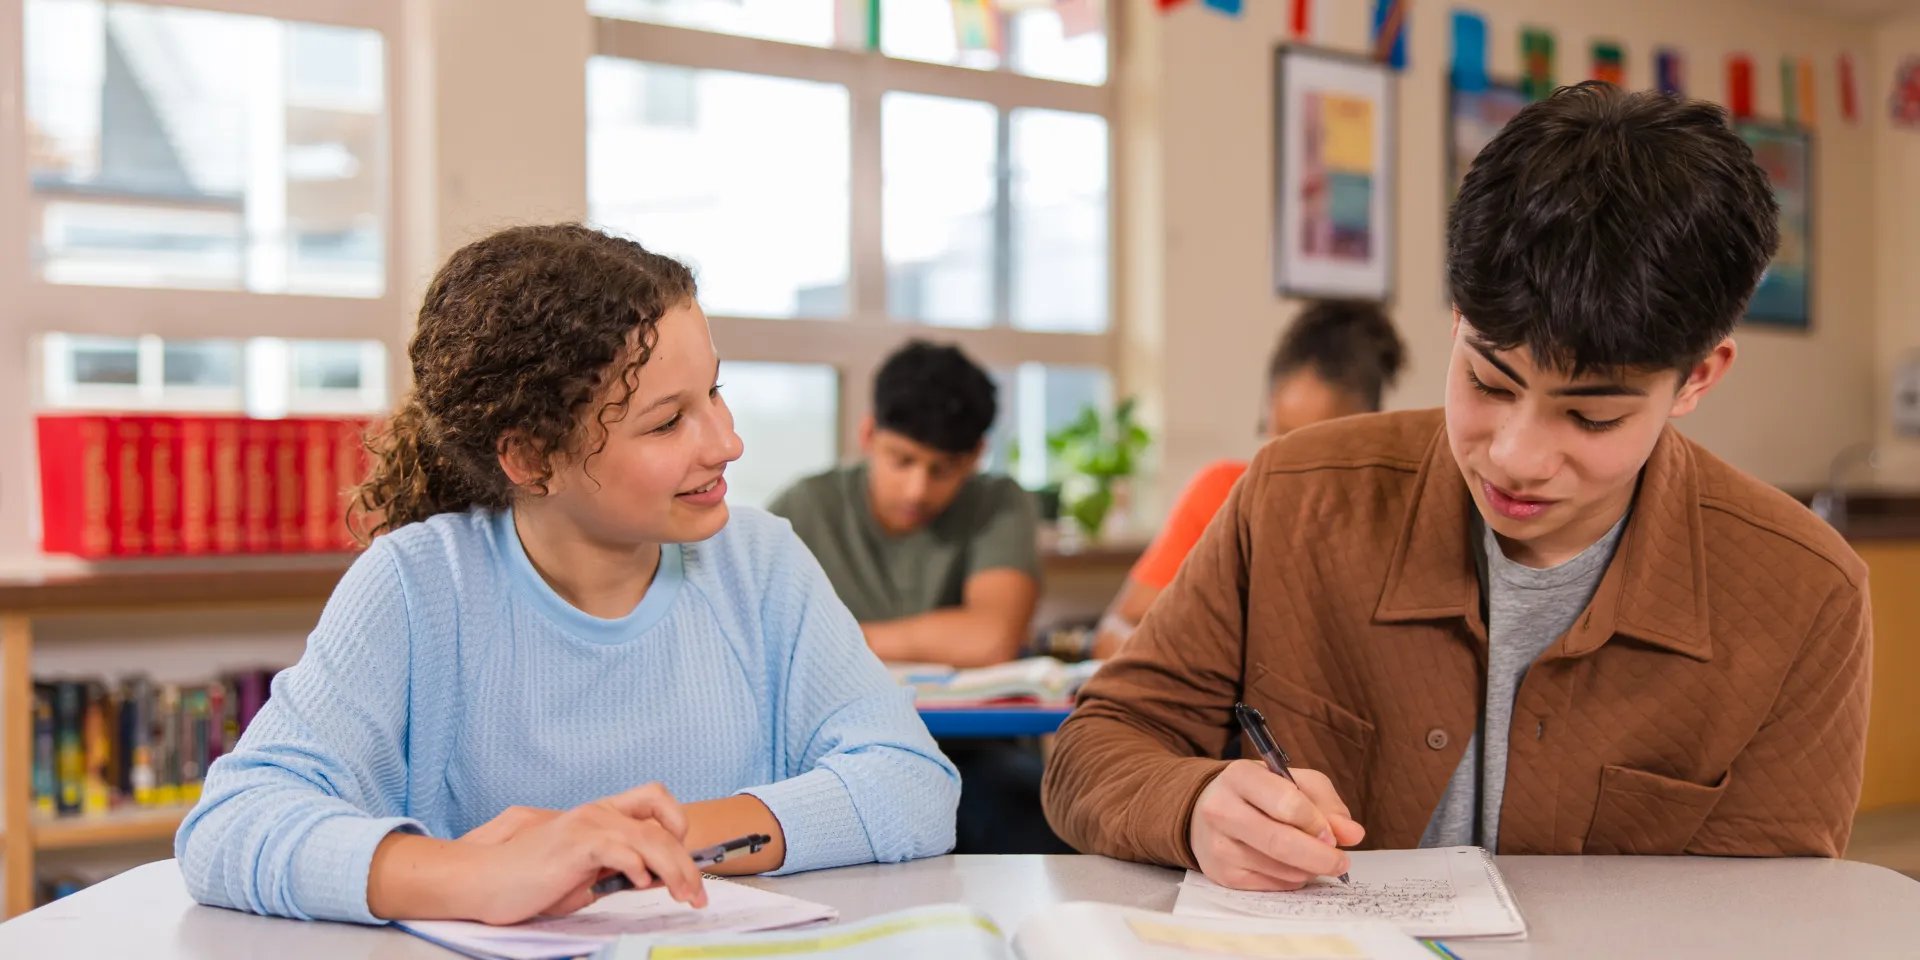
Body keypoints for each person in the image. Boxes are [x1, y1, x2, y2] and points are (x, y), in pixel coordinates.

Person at [1042, 82, 1871, 891]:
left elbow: (1780, 913)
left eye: (1590, 419)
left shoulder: (1806, 596)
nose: (1516, 457)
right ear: (1456, 317)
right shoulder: (1295, 496)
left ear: (1698, 378)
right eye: (1489, 383)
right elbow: (1096, 745)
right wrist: (1193, 807)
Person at [175, 224, 959, 925]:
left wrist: (631, 845)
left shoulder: (760, 563)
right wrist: (473, 874)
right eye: (667, 421)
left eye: (715, 392)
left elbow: (913, 785)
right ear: (528, 458)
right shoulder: (418, 586)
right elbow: (231, 825)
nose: (726, 442)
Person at [769, 340, 1060, 854]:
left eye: (942, 469)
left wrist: (839, 640)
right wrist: (935, 636)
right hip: (833, 751)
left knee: (1034, 818)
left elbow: (990, 637)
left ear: (976, 456)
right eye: (901, 460)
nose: (916, 490)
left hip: (971, 751)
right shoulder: (805, 506)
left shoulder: (998, 503)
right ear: (867, 434)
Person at [1092, 301, 1405, 659]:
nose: (1293, 466)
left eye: (1318, 446)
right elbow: (1111, 634)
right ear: (1267, 413)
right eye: (1281, 436)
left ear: (1369, 432)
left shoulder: (1388, 520)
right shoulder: (1221, 492)